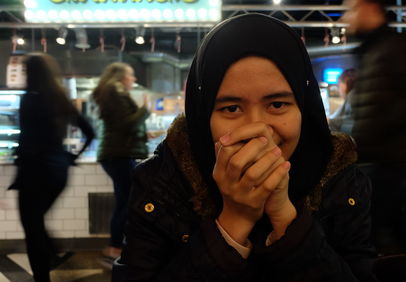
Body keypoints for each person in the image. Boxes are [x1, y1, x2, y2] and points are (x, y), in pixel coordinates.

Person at [114, 14, 376, 282]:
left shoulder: (341, 181)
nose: (257, 131)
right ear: (204, 118)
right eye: (231, 108)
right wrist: (235, 219)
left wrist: (286, 218)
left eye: (277, 104)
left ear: (303, 108)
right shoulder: (162, 182)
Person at [341, 0, 406, 251]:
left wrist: (382, 125)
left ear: (369, 7)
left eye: (351, 9)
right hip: (377, 155)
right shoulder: (374, 49)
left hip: (387, 156)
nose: (346, 17)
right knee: (391, 223)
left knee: (373, 227)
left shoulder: (394, 46)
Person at [9, 53, 95, 282]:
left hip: (35, 173)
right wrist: (70, 157)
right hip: (58, 172)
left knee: (32, 228)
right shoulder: (59, 97)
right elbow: (90, 132)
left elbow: (28, 139)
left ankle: (42, 275)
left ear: (32, 73)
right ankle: (53, 254)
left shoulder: (30, 98)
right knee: (36, 223)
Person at [91, 62, 150, 262]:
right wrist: (145, 109)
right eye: (131, 75)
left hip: (116, 154)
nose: (133, 79)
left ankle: (117, 245)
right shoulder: (115, 91)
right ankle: (116, 246)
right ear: (121, 77)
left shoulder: (111, 92)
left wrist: (143, 135)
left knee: (125, 202)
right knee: (128, 203)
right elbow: (127, 124)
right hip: (119, 156)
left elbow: (121, 126)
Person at [329, 68, 356, 133]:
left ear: (346, 82)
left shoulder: (352, 96)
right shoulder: (353, 95)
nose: (339, 89)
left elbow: (350, 122)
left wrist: (329, 121)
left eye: (339, 84)